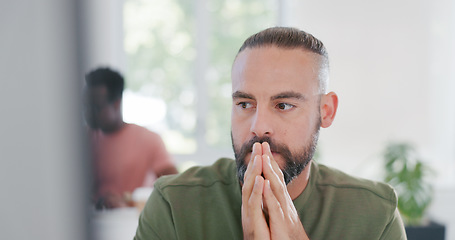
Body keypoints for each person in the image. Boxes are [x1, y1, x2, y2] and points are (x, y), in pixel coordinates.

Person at [134, 27, 407, 239]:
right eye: (245, 104)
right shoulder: (173, 204)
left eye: (283, 105)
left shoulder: (376, 215)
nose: (258, 126)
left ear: (326, 111)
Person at [84, 67, 178, 209]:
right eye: (86, 106)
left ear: (116, 103)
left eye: (96, 107)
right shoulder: (82, 140)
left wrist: (128, 203)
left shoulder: (149, 139)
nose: (89, 113)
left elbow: (175, 190)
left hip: (133, 223)